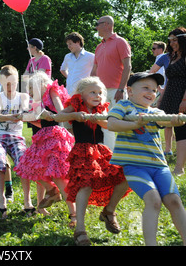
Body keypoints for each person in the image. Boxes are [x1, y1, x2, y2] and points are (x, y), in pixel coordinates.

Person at [107, 72, 186, 246]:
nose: (151, 92)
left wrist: (176, 121)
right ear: (130, 91)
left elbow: (167, 121)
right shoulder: (124, 106)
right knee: (153, 200)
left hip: (159, 166)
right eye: (146, 88)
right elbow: (112, 123)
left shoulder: (156, 111)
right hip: (135, 166)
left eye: (154, 90)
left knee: (174, 200)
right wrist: (134, 124)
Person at [53, 76, 131, 246]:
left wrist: (99, 118)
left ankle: (109, 211)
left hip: (100, 150)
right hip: (82, 152)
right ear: (81, 94)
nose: (97, 95)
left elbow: (108, 125)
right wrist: (74, 115)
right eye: (92, 92)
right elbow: (58, 116)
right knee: (86, 184)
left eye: (100, 92)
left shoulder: (101, 109)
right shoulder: (75, 105)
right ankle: (80, 228)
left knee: (125, 175)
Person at [14, 72, 76, 221]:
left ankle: (74, 214)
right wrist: (34, 116)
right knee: (26, 167)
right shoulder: (37, 101)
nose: (29, 91)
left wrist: (49, 115)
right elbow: (39, 120)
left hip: (55, 136)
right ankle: (51, 189)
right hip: (42, 137)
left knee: (59, 176)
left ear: (41, 84)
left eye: (31, 87)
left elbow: (60, 113)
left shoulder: (51, 90)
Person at [0, 65, 33, 219]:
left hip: (16, 136)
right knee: (0, 162)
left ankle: (27, 201)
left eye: (13, 83)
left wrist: (23, 113)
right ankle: (2, 201)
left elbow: (27, 111)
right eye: (7, 84)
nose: (10, 87)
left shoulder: (23, 96)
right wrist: (12, 117)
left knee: (23, 161)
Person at [158, 27, 186, 176]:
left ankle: (179, 169)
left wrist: (185, 100)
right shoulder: (173, 56)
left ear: (184, 39)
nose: (172, 43)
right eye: (170, 41)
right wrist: (162, 99)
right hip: (172, 95)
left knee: (182, 130)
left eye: (175, 40)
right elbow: (169, 80)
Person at [90, 15, 132, 150]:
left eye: (98, 24)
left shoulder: (120, 42)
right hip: (101, 92)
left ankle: (123, 154)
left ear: (107, 24)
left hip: (116, 90)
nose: (96, 27)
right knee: (105, 125)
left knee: (119, 124)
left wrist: (121, 89)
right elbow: (94, 70)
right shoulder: (98, 46)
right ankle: (110, 156)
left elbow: (128, 66)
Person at [149, 42, 174, 156]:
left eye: (154, 48)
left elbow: (152, 73)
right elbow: (152, 73)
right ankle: (169, 148)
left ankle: (167, 148)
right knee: (169, 121)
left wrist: (159, 89)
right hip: (166, 92)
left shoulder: (162, 57)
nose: (152, 50)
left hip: (167, 92)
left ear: (161, 49)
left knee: (160, 119)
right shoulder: (163, 58)